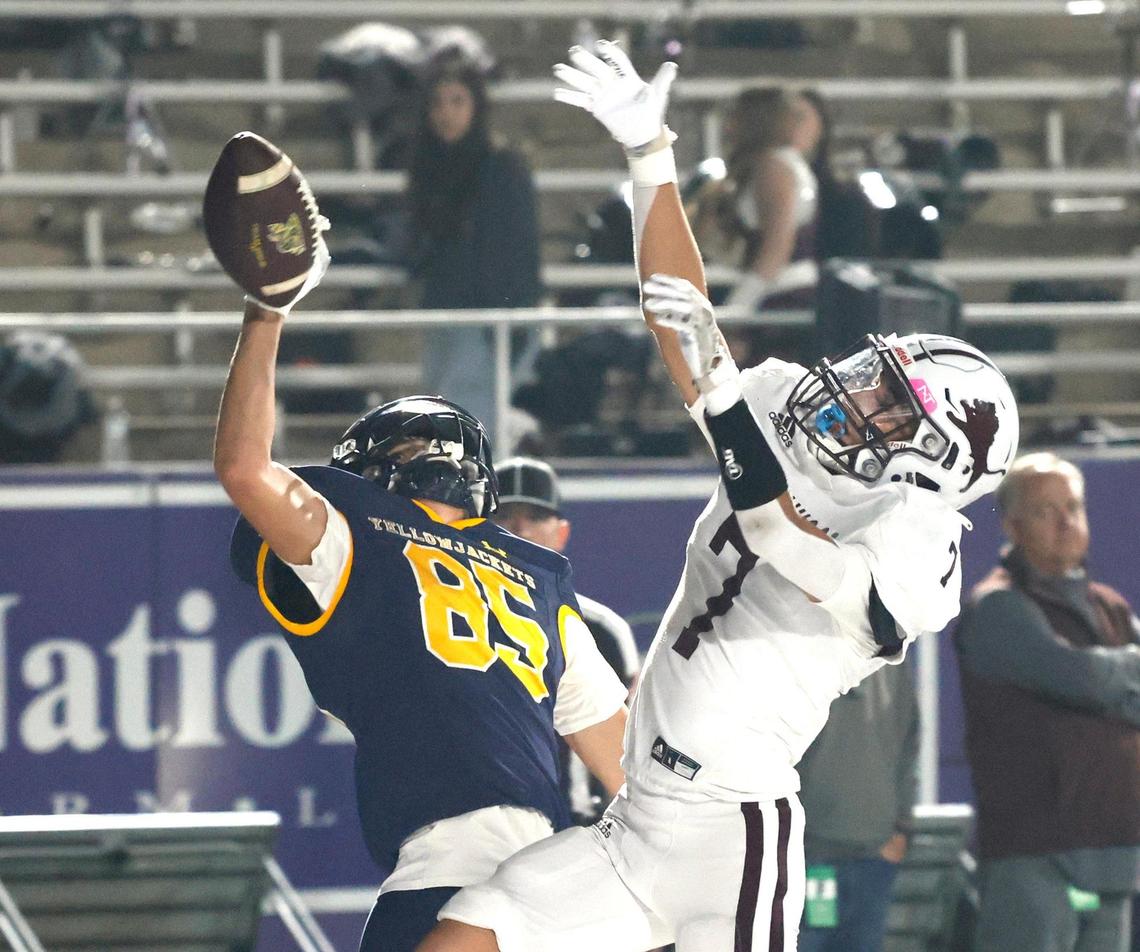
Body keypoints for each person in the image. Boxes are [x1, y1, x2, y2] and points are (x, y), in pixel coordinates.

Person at [417, 40, 1018, 952]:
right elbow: (678, 311)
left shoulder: (919, 539)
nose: (859, 391)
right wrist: (650, 153)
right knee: (466, 935)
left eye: (892, 403)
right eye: (875, 375)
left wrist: (728, 401)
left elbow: (777, 531)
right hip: (632, 819)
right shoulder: (777, 407)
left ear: (934, 463)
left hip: (731, 835)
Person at [213, 223, 628, 950]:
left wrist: (266, 310)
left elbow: (246, 469)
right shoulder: (538, 578)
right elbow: (630, 773)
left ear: (375, 477)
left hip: (448, 876)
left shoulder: (362, 533)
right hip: (555, 894)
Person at [954, 452, 1140, 952]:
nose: (1066, 521)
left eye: (1073, 507)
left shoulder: (1111, 607)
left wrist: (1105, 676)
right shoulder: (997, 607)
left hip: (1113, 847)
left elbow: (1091, 681)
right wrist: (1121, 672)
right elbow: (1078, 678)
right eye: (1046, 510)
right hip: (1034, 851)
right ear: (1013, 525)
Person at [492, 455, 641, 821]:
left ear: (561, 532)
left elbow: (625, 742)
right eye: (505, 516)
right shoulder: (445, 617)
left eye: (536, 517)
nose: (520, 530)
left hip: (577, 827)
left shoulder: (602, 629)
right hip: (478, 824)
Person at [407, 58, 543, 445]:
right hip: (445, 319)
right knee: (442, 426)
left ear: (476, 107)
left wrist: (510, 327)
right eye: (437, 103)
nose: (445, 113)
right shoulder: (429, 169)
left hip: (488, 324)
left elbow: (516, 256)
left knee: (467, 435)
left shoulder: (503, 167)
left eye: (457, 101)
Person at [688, 87, 824, 364]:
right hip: (772, 296)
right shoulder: (774, 164)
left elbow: (775, 251)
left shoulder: (776, 168)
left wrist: (735, 314)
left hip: (780, 302)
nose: (728, 126)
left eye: (735, 116)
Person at [796, 660, 919, 952]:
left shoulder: (890, 657)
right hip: (816, 853)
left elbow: (908, 741)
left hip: (865, 853)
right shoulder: (802, 651)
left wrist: (901, 828)